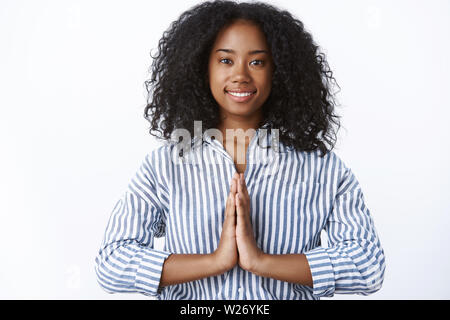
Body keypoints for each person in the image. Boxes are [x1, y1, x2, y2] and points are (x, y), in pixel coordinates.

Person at [94, 0, 386, 300]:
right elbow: (112, 262)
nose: (241, 75)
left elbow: (368, 265)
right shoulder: (164, 166)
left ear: (279, 71)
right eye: (225, 60)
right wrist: (214, 262)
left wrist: (261, 262)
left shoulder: (323, 168)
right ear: (201, 67)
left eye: (257, 62)